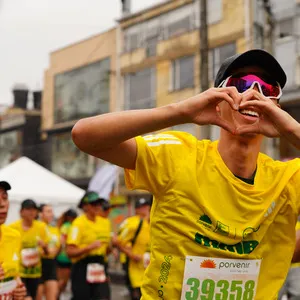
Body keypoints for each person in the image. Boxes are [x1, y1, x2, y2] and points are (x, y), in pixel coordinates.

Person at [71, 48, 300, 299]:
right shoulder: (179, 156)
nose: (253, 93)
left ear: (276, 105)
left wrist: (291, 129)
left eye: (267, 89)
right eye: (240, 84)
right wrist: (181, 112)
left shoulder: (288, 179)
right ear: (218, 102)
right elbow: (85, 136)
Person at [66, 191, 111, 300]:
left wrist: (111, 247)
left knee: (103, 296)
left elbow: (106, 248)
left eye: (99, 204)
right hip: (83, 266)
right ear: (85, 206)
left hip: (100, 265)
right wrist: (89, 247)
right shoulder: (78, 224)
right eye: (93, 204)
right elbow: (70, 251)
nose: (97, 207)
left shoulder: (105, 222)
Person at [10, 199, 49, 300]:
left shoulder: (41, 227)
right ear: (21, 211)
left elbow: (48, 252)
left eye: (34, 209)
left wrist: (44, 246)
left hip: (35, 272)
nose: (31, 212)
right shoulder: (13, 228)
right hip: (19, 273)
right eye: (28, 209)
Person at [115, 197, 151, 300]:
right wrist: (131, 254)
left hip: (148, 265)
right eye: (142, 207)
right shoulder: (131, 223)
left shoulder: (152, 222)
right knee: (137, 294)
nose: (145, 209)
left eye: (146, 206)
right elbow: (117, 241)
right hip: (133, 265)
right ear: (137, 209)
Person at [0, 181, 26, 299]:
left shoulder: (14, 235)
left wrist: (19, 291)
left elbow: (14, 274)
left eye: (5, 198)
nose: (2, 204)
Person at [36, 204, 60, 300]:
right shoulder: (36, 228)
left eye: (52, 211)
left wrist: (49, 250)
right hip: (38, 264)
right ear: (40, 213)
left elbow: (56, 248)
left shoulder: (54, 229)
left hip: (51, 264)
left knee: (52, 296)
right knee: (38, 295)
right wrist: (47, 250)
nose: (51, 214)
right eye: (48, 211)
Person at [56, 209, 77, 298]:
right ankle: (55, 296)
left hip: (63, 256)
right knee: (62, 282)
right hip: (64, 257)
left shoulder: (65, 225)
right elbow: (62, 241)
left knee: (62, 281)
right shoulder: (69, 226)